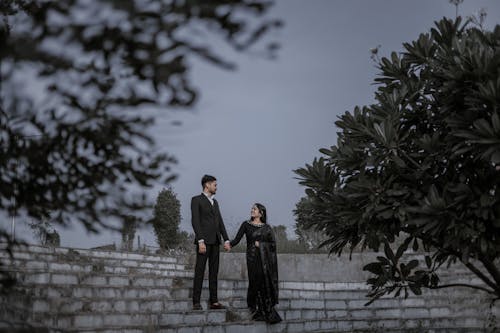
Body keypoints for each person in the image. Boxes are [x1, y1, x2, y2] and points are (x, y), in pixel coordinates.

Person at [230, 203, 282, 324]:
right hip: (252, 258)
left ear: (261, 213)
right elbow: (237, 239)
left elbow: (273, 245)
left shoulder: (267, 228)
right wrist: (230, 244)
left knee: (263, 282)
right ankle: (253, 309)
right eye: (252, 209)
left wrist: (262, 245)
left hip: (264, 260)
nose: (252, 210)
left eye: (254, 209)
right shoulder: (246, 224)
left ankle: (265, 309)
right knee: (254, 282)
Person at [191, 175, 231, 310]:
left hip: (215, 242)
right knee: (200, 271)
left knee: (214, 272)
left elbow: (220, 222)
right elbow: (195, 221)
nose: (216, 187)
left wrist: (226, 239)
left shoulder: (216, 202)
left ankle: (213, 301)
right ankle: (196, 301)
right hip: (203, 242)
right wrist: (200, 240)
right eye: (215, 184)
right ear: (207, 185)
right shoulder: (196, 200)